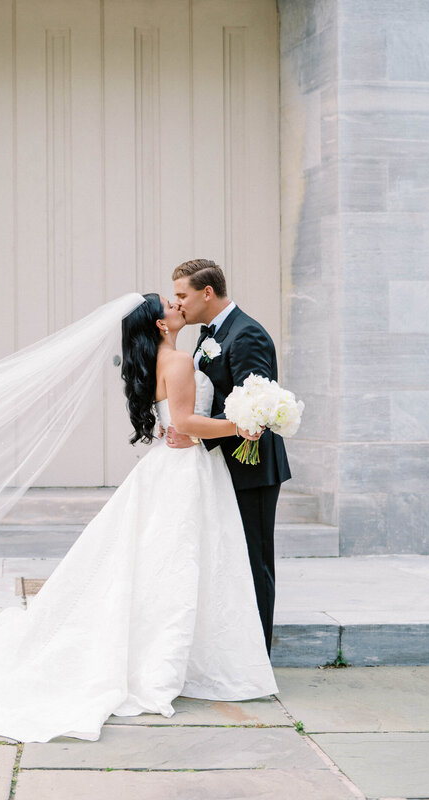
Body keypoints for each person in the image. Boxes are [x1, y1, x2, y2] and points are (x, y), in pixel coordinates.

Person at [0, 293, 277, 743]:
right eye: (168, 305)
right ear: (158, 325)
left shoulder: (161, 361)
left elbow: (177, 423)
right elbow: (187, 423)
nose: (176, 305)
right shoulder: (177, 362)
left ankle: (179, 654)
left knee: (168, 562)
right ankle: (169, 659)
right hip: (184, 471)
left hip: (172, 468)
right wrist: (242, 426)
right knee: (180, 560)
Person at [167, 259, 291, 654]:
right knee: (227, 560)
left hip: (250, 467)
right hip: (222, 467)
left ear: (207, 292)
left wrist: (196, 436)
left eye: (182, 295)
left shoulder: (246, 334)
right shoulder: (208, 335)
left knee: (253, 561)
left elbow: (256, 408)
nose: (178, 303)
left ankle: (257, 656)